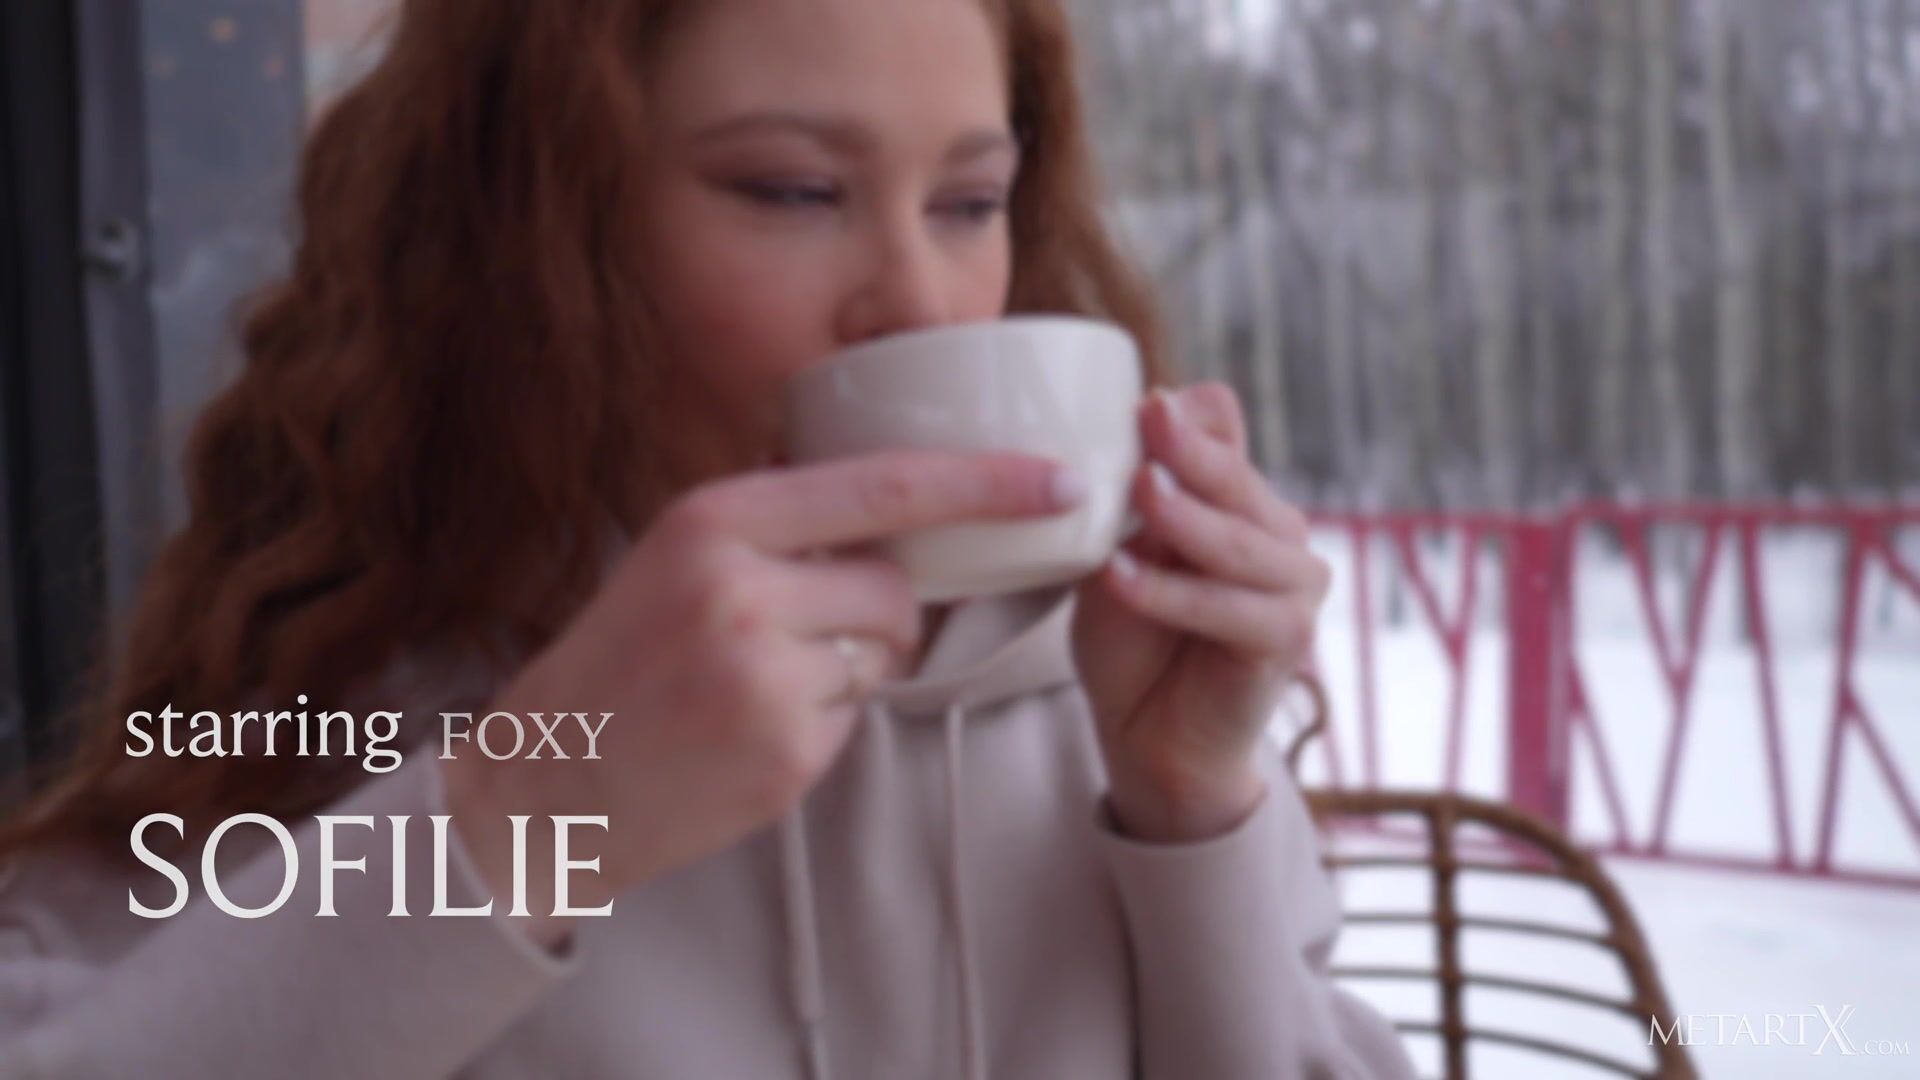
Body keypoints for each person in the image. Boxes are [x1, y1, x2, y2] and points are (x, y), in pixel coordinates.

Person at [0, 1, 1418, 1076]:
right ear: (537, 226)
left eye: (970, 203)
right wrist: (523, 813)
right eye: (793, 190)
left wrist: (1194, 817)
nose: (921, 302)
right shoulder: (349, 660)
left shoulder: (1111, 688)